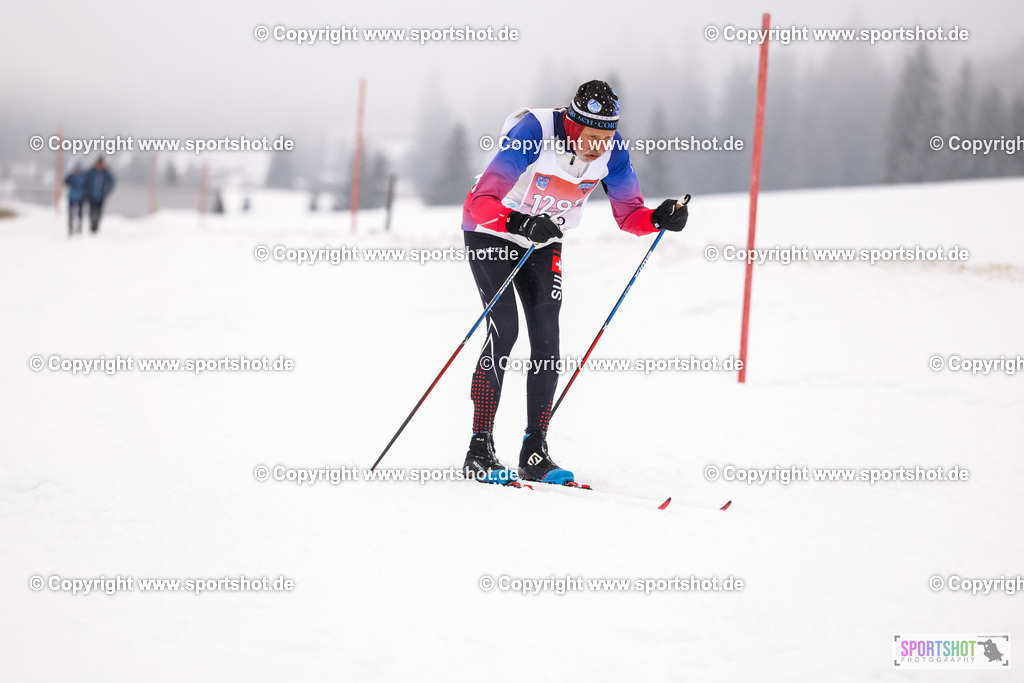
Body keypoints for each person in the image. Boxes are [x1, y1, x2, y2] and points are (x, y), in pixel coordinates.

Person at [460, 79, 688, 485]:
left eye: (606, 136)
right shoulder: (533, 133)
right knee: (505, 331)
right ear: (571, 123)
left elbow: (629, 215)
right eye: (590, 136)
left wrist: (658, 218)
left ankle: (535, 450)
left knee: (548, 339)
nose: (598, 146)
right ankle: (480, 448)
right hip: (492, 231)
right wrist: (518, 221)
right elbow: (479, 202)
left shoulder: (612, 152)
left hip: (543, 239)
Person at [83, 157, 115, 233]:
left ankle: (96, 227)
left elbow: (111, 182)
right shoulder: (91, 172)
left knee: (99, 212)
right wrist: (87, 191)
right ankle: (92, 226)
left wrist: (107, 191)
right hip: (92, 196)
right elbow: (86, 181)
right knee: (92, 211)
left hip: (101, 196)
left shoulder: (105, 173)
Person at [64, 161, 86, 236]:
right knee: (71, 214)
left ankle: (79, 227)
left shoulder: (83, 176)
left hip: (80, 197)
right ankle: (71, 227)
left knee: (80, 214)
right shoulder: (71, 176)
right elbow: (66, 182)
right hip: (72, 197)